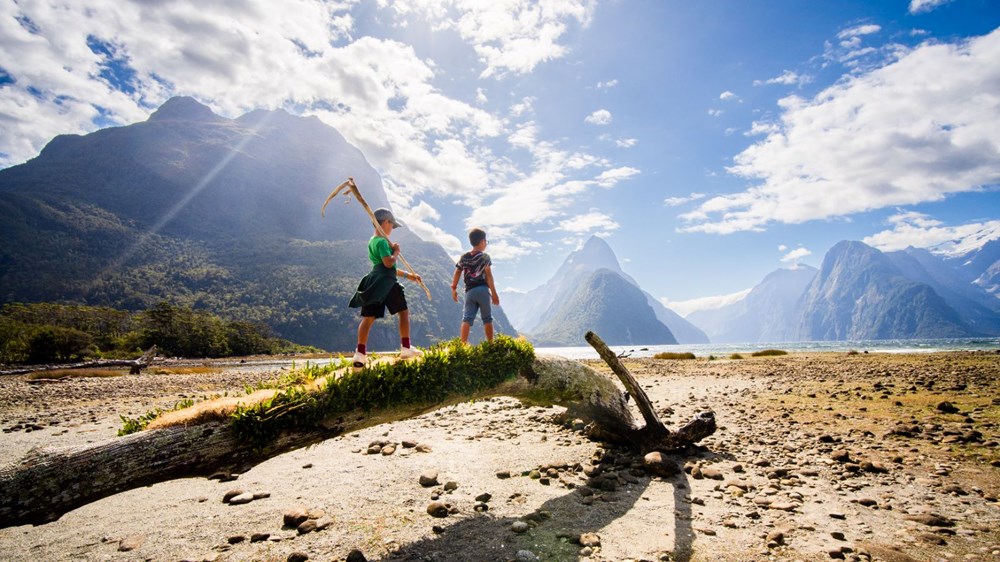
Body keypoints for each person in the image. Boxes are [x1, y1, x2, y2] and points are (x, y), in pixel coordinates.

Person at [349, 207, 423, 368]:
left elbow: (385, 267)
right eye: (391, 225)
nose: (392, 229)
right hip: (387, 283)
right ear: (385, 222)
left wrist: (409, 276)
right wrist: (396, 252)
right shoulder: (382, 241)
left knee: (368, 318)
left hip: (375, 282)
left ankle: (360, 354)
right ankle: (405, 347)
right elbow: (389, 263)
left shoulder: (372, 241)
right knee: (403, 313)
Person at [451, 227, 500, 343]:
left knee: (466, 318)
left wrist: (454, 288)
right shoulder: (485, 257)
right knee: (487, 318)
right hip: (483, 290)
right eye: (486, 241)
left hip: (469, 292)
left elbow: (457, 272)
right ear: (482, 241)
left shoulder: (464, 257)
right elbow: (489, 276)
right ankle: (490, 344)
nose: (486, 244)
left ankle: (462, 345)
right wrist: (494, 293)